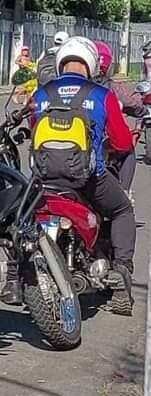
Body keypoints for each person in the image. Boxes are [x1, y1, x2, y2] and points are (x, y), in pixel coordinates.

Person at [30, 36, 136, 315]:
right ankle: (122, 277)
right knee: (123, 209)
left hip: (45, 181)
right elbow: (124, 144)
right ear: (91, 64)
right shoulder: (101, 95)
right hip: (90, 180)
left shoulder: (41, 94)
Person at [92, 40, 142, 193]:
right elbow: (135, 105)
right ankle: (124, 193)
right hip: (100, 142)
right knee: (128, 150)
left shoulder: (59, 86)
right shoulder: (113, 88)